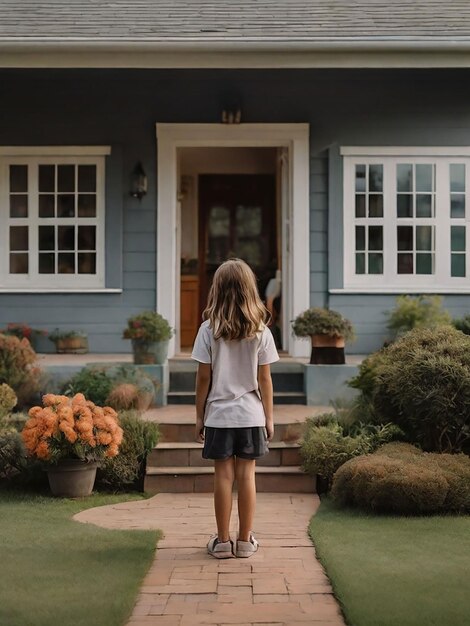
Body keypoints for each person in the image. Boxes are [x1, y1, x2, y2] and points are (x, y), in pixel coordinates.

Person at [191, 258, 279, 559]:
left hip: (219, 415)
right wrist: (269, 418)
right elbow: (264, 379)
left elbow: (204, 377)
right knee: (247, 478)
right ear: (249, 290)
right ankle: (245, 542)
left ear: (217, 289)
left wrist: (200, 416)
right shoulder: (261, 330)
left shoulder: (207, 329)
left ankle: (222, 542)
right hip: (251, 414)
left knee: (223, 478)